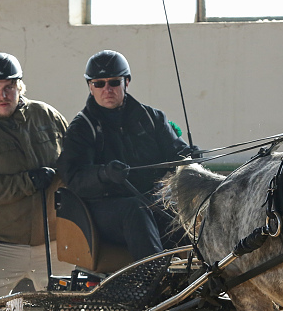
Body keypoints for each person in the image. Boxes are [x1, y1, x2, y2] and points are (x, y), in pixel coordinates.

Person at [0, 52, 72, 308]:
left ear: (19, 86)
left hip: (53, 242)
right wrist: (29, 181)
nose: (3, 95)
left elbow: (73, 162)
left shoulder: (47, 116)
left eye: (9, 87)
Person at [59, 50, 197, 261]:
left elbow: (177, 154)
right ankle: (154, 277)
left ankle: (199, 275)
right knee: (136, 209)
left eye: (114, 82)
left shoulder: (152, 118)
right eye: (99, 84)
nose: (107, 89)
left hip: (151, 200)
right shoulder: (82, 128)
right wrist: (103, 174)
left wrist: (189, 157)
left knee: (181, 212)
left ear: (127, 82)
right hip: (103, 210)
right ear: (90, 86)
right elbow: (74, 178)